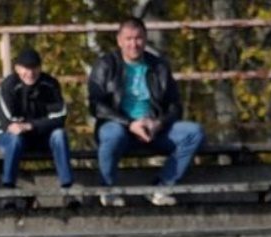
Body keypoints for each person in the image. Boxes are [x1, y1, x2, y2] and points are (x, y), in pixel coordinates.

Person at [88, 17, 206, 207]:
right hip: (120, 127)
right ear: (119, 41)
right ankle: (108, 191)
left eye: (138, 38)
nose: (133, 44)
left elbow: (175, 105)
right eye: (128, 39)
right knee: (111, 134)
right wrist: (130, 124)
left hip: (154, 129)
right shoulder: (105, 65)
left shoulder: (159, 66)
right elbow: (96, 105)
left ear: (145, 39)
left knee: (194, 133)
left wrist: (158, 123)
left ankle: (161, 187)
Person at [0, 47, 77, 210]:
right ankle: (8, 190)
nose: (30, 73)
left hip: (39, 136)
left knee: (59, 135)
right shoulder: (7, 86)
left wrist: (31, 125)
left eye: (34, 68)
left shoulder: (50, 84)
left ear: (40, 68)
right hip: (9, 137)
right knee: (15, 140)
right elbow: (9, 124)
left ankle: (67, 190)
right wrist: (40, 124)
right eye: (26, 68)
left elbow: (60, 117)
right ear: (17, 69)